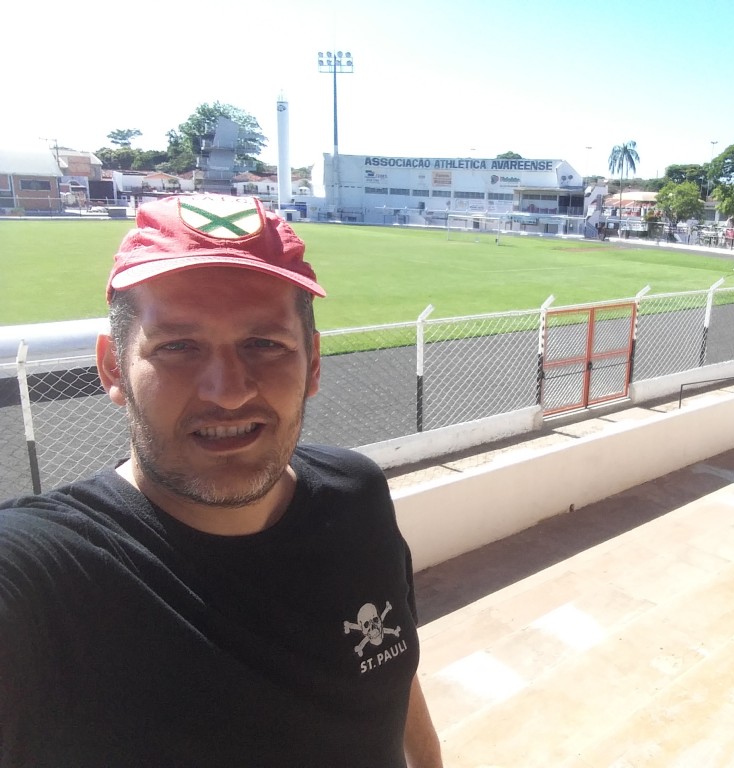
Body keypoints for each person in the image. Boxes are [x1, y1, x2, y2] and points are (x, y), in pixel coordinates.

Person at [0, 195, 443, 767]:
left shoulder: (358, 497)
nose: (228, 390)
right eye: (178, 347)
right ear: (113, 368)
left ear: (312, 363)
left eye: (264, 344)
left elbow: (394, 674)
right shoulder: (45, 576)